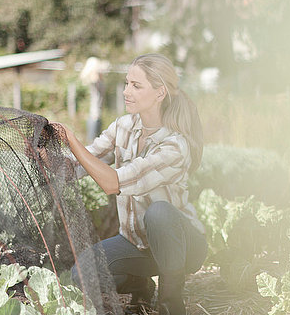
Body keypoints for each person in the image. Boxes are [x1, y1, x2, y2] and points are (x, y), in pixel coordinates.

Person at [56, 53, 207, 315]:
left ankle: (171, 303)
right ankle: (140, 284)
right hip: (136, 244)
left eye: (136, 86)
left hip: (182, 246)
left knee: (158, 212)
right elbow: (84, 162)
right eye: (127, 83)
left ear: (160, 93)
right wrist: (50, 155)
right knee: (82, 275)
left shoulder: (174, 145)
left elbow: (112, 182)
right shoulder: (123, 127)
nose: (127, 92)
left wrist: (71, 139)